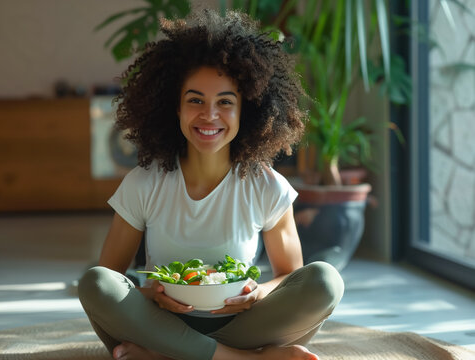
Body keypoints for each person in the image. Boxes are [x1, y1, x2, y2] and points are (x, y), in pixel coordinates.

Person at [78, 9, 344, 360]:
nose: (209, 115)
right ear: (175, 107)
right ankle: (239, 359)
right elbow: (112, 279)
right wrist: (152, 294)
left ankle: (165, 356)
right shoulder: (144, 183)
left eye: (225, 103)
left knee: (325, 281)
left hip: (241, 324)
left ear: (244, 111)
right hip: (159, 321)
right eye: (195, 101)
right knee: (94, 284)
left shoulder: (267, 186)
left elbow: (290, 278)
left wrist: (258, 293)